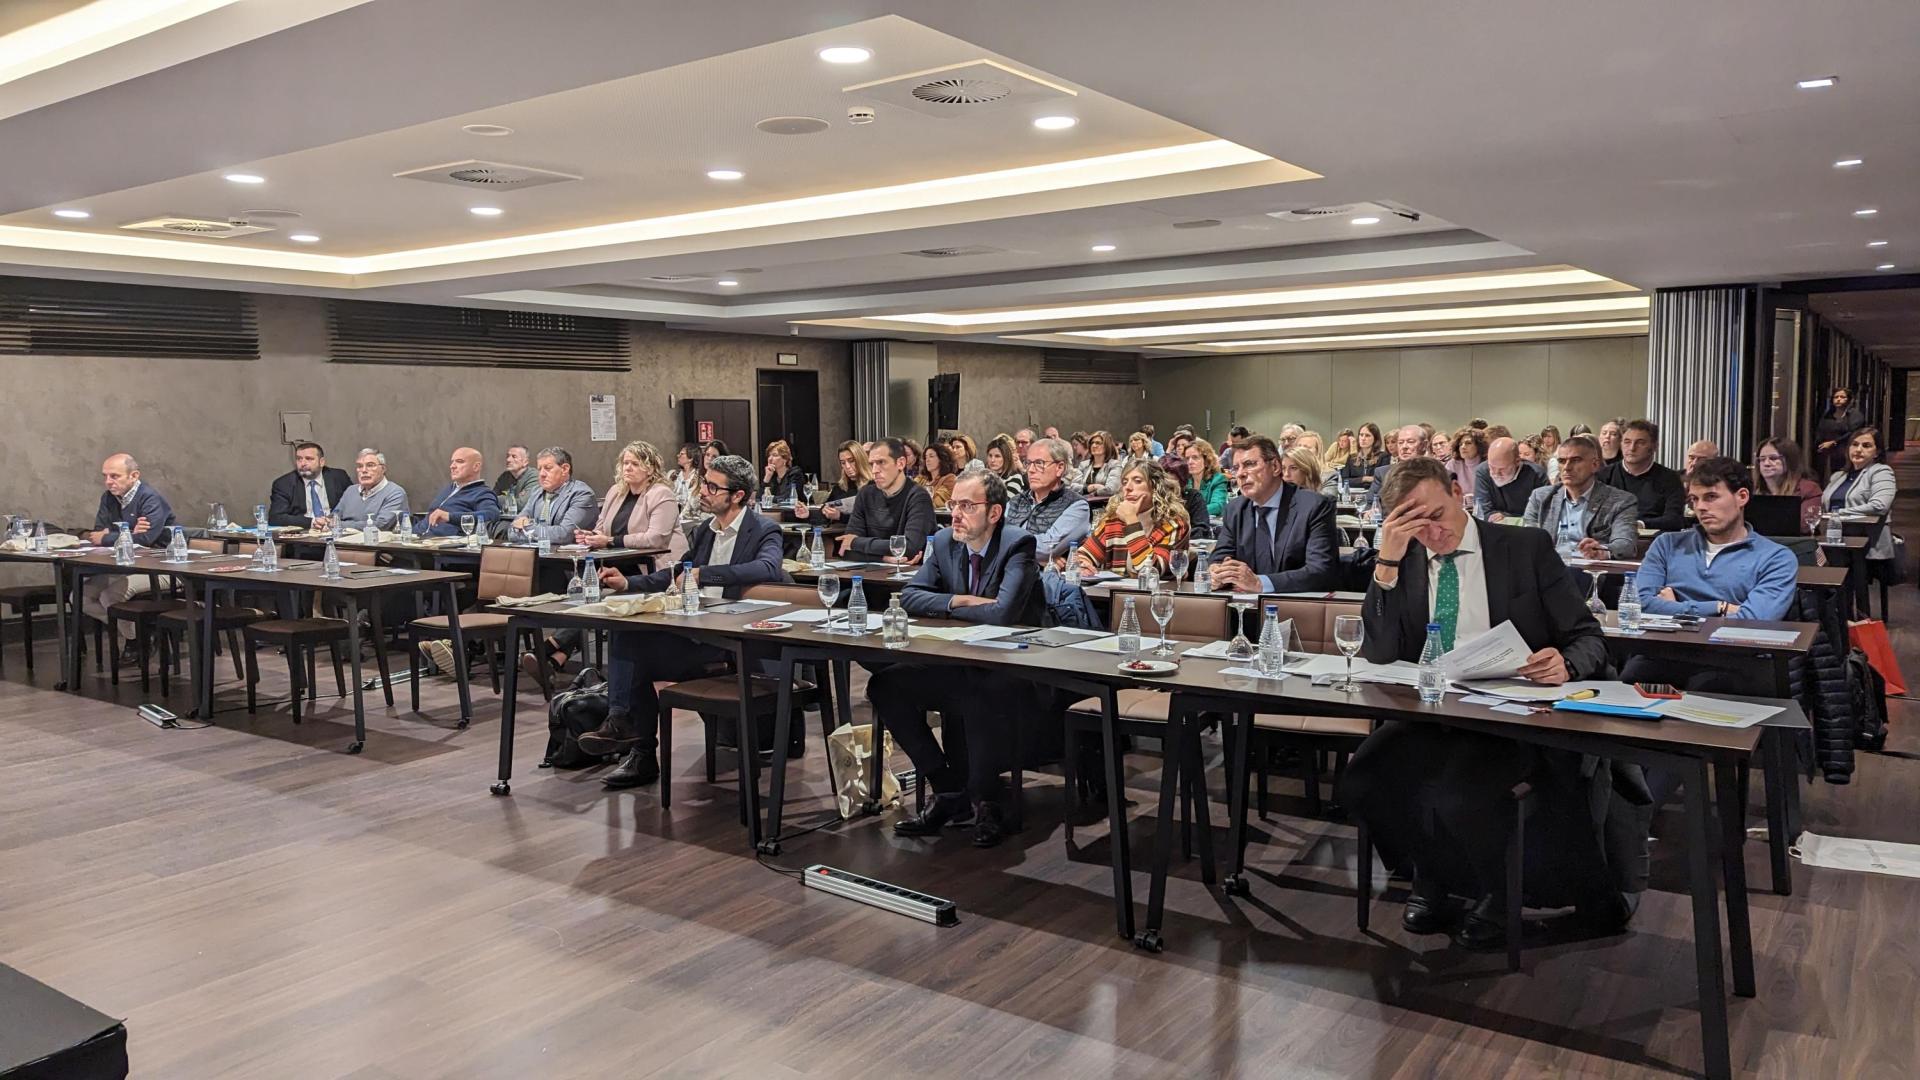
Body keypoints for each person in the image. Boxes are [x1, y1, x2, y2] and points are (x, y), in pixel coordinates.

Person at [1338, 456, 1630, 950]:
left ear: (1457, 491)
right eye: (1414, 524)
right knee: (1365, 778)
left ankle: (1496, 892)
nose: (1431, 532)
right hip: (1435, 709)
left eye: (1436, 515)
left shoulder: (1522, 547)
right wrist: (1386, 563)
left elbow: (1588, 636)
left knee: (1462, 791)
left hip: (1511, 712)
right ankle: (1432, 875)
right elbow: (1381, 652)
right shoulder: (1403, 559)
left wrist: (1566, 663)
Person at [574, 455, 788, 789]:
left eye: (713, 487)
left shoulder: (763, 529)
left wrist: (707, 574)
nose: (704, 491)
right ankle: (626, 731)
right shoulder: (706, 530)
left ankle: (634, 742)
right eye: (704, 482)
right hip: (697, 630)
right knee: (629, 637)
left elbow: (768, 569)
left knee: (635, 655)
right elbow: (676, 572)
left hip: (733, 642)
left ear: (738, 496)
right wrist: (628, 584)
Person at [876, 469, 1045, 846]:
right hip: (959, 659)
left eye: (967, 506)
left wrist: (951, 607)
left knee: (978, 692)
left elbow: (1004, 614)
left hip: (1014, 666)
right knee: (885, 684)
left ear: (995, 513)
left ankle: (987, 801)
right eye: (953, 504)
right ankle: (949, 790)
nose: (955, 513)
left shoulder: (1017, 544)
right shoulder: (944, 542)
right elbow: (911, 595)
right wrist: (961, 600)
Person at [1622, 456, 1800, 692]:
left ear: (1742, 497)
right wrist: (1720, 608)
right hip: (1664, 652)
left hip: (1733, 659)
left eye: (1711, 497)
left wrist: (1675, 609)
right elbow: (1638, 604)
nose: (1701, 507)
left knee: (1708, 686)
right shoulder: (1666, 544)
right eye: (1694, 499)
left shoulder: (1776, 557)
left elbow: (1752, 621)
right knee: (1626, 682)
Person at [523, 441, 693, 685]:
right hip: (620, 563)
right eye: (625, 463)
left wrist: (611, 540)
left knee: (599, 597)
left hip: (657, 567)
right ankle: (554, 659)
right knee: (588, 593)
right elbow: (601, 526)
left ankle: (551, 647)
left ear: (650, 467)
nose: (628, 468)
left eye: (635, 464)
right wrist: (590, 536)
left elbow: (656, 538)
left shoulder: (661, 494)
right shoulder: (617, 491)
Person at [1206, 434, 1341, 594]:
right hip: (1246, 608)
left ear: (1276, 467)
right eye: (1236, 468)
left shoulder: (1314, 506)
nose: (1241, 474)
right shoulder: (1235, 509)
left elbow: (1321, 571)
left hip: (1296, 608)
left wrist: (1260, 583)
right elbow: (1221, 554)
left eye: (1249, 464)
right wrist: (1217, 571)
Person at [82, 453, 177, 656]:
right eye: (105, 476)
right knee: (80, 596)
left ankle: (136, 641)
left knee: (110, 595)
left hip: (160, 566)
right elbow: (97, 532)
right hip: (125, 565)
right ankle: (140, 631)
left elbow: (146, 539)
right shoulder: (108, 498)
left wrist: (113, 536)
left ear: (134, 476)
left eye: (114, 476)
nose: (108, 482)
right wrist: (129, 533)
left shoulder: (150, 497)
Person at [1523, 434, 1638, 559]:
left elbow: (1626, 544)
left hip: (1593, 570)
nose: (1567, 467)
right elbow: (1528, 539)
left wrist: (1602, 550)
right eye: (1562, 461)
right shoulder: (1540, 497)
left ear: (1594, 465)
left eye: (1576, 460)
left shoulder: (1621, 501)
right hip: (1550, 569)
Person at [1072, 460, 1189, 578]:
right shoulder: (1113, 521)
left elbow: (1151, 571)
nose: (1128, 488)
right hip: (1116, 594)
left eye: (1137, 481)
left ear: (1155, 487)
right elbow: (1083, 554)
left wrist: (1132, 521)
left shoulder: (1174, 523)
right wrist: (1083, 565)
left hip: (1159, 594)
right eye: (1124, 482)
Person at [835, 438, 937, 559]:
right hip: (870, 572)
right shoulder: (865, 494)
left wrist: (856, 542)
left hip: (908, 574)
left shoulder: (918, 497)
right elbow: (846, 550)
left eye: (881, 462)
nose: (874, 470)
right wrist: (884, 558)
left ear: (900, 463)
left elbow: (909, 547)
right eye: (872, 464)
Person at [1821, 426, 1897, 569]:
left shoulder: (1881, 472)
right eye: (1854, 444)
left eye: (1866, 446)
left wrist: (1837, 513)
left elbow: (1879, 506)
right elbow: (1824, 506)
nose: (1858, 449)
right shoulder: (1838, 476)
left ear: (1877, 452)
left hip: (1867, 544)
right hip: (1835, 539)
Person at [1008, 436, 1091, 567]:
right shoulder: (1015, 501)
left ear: (1059, 468)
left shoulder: (1077, 506)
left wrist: (1006, 547)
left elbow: (1047, 548)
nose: (1030, 470)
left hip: (1045, 583)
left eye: (1039, 463)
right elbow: (989, 540)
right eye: (1028, 463)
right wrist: (1037, 559)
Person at [1599, 420, 1687, 532]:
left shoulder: (1670, 478)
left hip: (1655, 541)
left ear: (1654, 446)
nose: (1632, 448)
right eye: (1627, 442)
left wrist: (1640, 524)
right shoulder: (1603, 476)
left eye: (1640, 443)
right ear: (1621, 444)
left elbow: (1675, 520)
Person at [510, 447, 597, 544]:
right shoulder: (536, 492)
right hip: (536, 555)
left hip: (566, 557)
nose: (542, 474)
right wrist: (534, 531)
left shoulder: (581, 494)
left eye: (547, 468)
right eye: (539, 469)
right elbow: (512, 531)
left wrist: (527, 526)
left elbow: (564, 535)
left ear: (564, 469)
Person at [420, 447, 501, 537]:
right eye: (452, 462)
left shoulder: (482, 493)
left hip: (442, 545)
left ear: (476, 467)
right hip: (417, 539)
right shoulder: (448, 489)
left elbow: (492, 514)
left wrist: (450, 517)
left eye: (459, 461)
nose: (452, 466)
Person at [267, 442, 351, 529]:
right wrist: (312, 522)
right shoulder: (284, 484)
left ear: (321, 462)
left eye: (309, 459)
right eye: (299, 459)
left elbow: (353, 506)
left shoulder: (339, 477)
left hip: (336, 529)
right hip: (304, 533)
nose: (303, 463)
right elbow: (275, 518)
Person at [324, 448, 409, 530]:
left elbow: (381, 525)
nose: (364, 470)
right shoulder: (351, 490)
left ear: (383, 469)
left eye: (370, 465)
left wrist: (339, 524)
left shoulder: (395, 493)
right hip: (343, 541)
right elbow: (334, 516)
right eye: (360, 466)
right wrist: (324, 521)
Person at [1754, 437, 1823, 534]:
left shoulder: (1808, 489)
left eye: (1773, 458)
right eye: (1762, 459)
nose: (1766, 463)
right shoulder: (1751, 491)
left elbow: (1804, 526)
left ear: (1789, 460)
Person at [1474, 437, 1546, 523]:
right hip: (1495, 529)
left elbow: (1542, 513)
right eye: (1491, 467)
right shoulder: (1483, 471)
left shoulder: (1537, 474)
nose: (1496, 473)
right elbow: (1482, 511)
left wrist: (1506, 518)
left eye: (1502, 469)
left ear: (1517, 462)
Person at [796, 441, 870, 523]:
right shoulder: (840, 487)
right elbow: (824, 513)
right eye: (843, 463)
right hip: (837, 533)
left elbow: (873, 520)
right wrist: (808, 514)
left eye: (851, 461)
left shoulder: (873, 486)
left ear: (861, 460)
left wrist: (840, 516)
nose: (847, 466)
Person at [1813, 387, 1867, 477]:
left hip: (1847, 452)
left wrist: (1834, 442)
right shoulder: (1828, 415)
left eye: (1842, 397)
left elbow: (1853, 432)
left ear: (1849, 399)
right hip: (1830, 453)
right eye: (1836, 397)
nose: (1838, 399)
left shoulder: (1855, 415)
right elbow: (1821, 430)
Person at [1183, 438, 1230, 519]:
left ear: (1206, 461)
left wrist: (1191, 512)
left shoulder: (1218, 479)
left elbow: (1218, 506)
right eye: (1187, 458)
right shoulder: (1184, 480)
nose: (1190, 462)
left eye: (1195, 457)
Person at [492, 445, 539, 512]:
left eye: (514, 457)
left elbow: (522, 505)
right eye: (507, 456)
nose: (508, 460)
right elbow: (490, 499)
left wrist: (498, 499)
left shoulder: (534, 476)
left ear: (525, 462)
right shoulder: (504, 477)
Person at [1341, 422, 1390, 487]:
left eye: (1367, 435)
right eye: (1361, 435)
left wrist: (1355, 481)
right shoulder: (1352, 457)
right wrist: (1364, 479)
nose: (1363, 438)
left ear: (1375, 439)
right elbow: (1344, 481)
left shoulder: (1383, 456)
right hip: (1353, 494)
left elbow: (1382, 481)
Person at [1447, 427, 1486, 502]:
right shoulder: (1453, 464)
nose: (1463, 447)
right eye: (1460, 444)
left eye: (1468, 443)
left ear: (1479, 446)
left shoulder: (1486, 465)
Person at [760, 439, 804, 504]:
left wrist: (767, 498)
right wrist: (767, 478)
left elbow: (788, 498)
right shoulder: (772, 475)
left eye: (774, 455)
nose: (770, 459)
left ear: (785, 459)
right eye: (769, 455)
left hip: (792, 512)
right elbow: (758, 498)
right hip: (772, 512)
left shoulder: (795, 473)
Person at [1082, 431, 1124, 496]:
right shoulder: (1083, 465)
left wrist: (1092, 494)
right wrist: (1094, 487)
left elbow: (1111, 489)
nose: (1093, 445)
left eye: (1098, 443)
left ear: (1107, 446)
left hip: (1104, 503)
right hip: (1083, 502)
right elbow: (1073, 487)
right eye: (1092, 443)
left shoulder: (1115, 465)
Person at [984, 433, 1026, 499]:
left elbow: (1005, 503)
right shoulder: (983, 476)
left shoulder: (1015, 478)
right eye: (990, 456)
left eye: (997, 456)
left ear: (1006, 458)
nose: (992, 460)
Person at [919, 441, 957, 509]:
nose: (927, 460)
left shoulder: (950, 479)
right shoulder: (921, 479)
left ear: (941, 459)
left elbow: (937, 502)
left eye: (931, 456)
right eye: (926, 457)